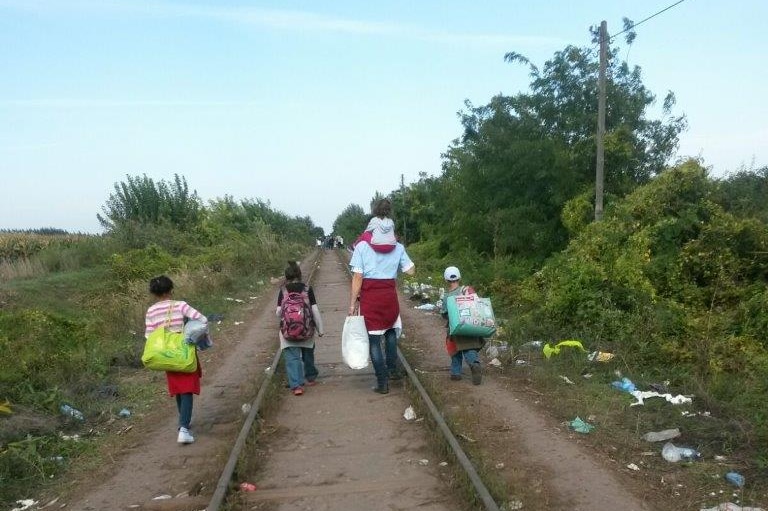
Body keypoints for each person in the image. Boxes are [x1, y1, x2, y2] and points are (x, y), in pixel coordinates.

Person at [349, 198, 415, 394]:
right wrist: (393, 263)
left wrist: (352, 304)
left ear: (373, 214)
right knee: (390, 331)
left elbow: (358, 277)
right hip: (389, 295)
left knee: (374, 340)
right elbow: (411, 271)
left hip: (371, 297)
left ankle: (382, 382)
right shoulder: (398, 246)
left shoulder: (362, 246)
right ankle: (392, 369)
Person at [144, 275, 208, 444]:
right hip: (183, 351)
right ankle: (183, 428)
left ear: (154, 293)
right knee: (187, 388)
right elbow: (202, 320)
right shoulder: (180, 305)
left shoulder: (151, 311)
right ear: (171, 290)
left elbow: (148, 336)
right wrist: (190, 333)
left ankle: (183, 421)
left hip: (165, 355)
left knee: (179, 388)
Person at [277, 261, 324, 396]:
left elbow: (279, 312)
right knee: (308, 351)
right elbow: (314, 310)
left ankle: (296, 385)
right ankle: (310, 377)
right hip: (306, 329)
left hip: (288, 331)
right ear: (299, 274)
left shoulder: (283, 291)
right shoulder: (307, 289)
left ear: (286, 276)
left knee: (292, 357)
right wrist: (320, 329)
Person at [441, 266, 483, 385]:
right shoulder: (467, 289)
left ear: (446, 280)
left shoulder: (447, 296)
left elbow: (444, 314)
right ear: (459, 278)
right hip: (470, 325)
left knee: (454, 349)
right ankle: (474, 364)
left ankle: (456, 373)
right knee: (469, 347)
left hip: (455, 328)